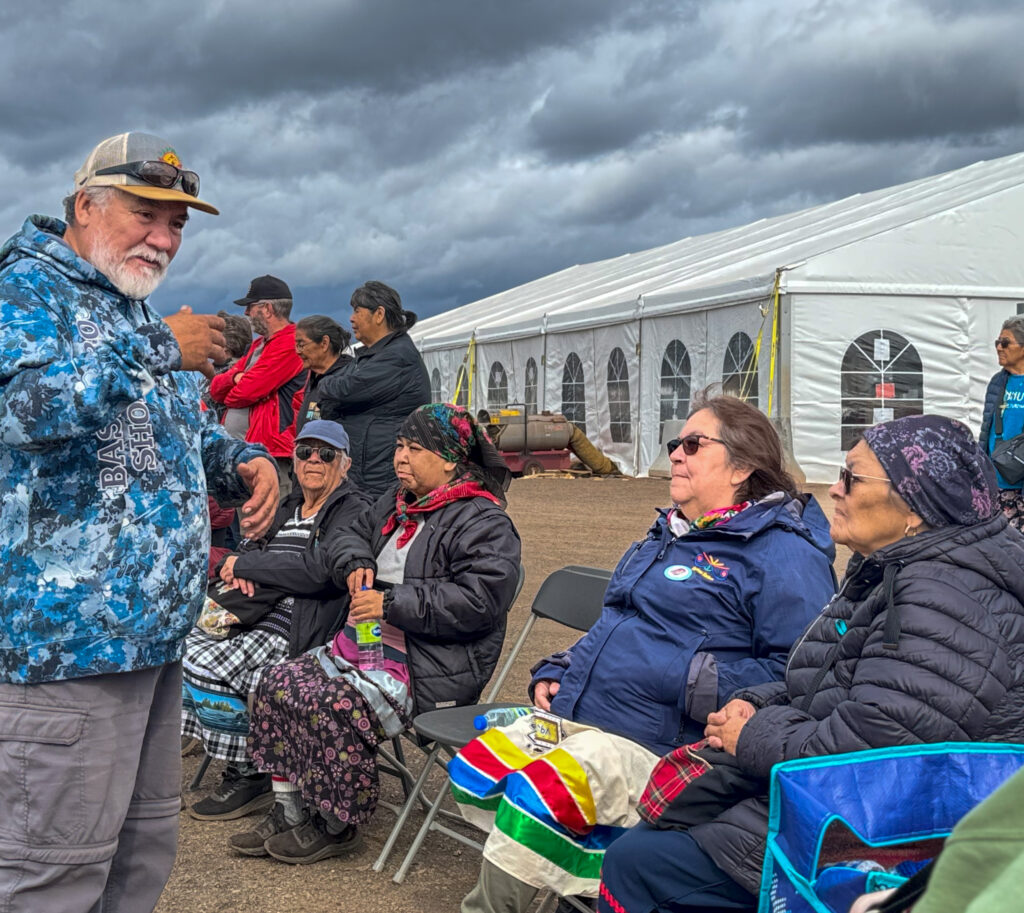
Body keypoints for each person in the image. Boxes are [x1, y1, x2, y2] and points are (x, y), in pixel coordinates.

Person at [0, 131, 279, 913]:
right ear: (87, 205)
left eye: (178, 222)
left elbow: (166, 431)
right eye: (146, 213)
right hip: (65, 652)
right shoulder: (25, 289)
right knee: (51, 873)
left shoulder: (126, 304)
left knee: (137, 854)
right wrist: (158, 345)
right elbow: (19, 410)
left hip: (152, 641)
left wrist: (238, 463)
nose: (164, 237)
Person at [599, 414, 1024, 913]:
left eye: (852, 478)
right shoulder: (896, 568)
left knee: (638, 861)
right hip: (838, 801)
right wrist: (753, 702)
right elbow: (820, 675)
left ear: (915, 505)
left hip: (881, 838)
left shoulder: (947, 597)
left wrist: (751, 734)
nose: (835, 491)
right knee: (655, 824)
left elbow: (874, 749)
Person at [457, 394, 837, 913]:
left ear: (743, 466)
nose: (675, 454)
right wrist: (564, 665)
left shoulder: (782, 551)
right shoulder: (670, 532)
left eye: (693, 444)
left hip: (666, 747)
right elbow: (617, 620)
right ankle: (583, 885)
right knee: (483, 764)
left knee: (545, 789)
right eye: (675, 443)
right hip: (590, 720)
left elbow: (800, 670)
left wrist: (691, 679)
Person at [232, 404, 521, 863]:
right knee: (276, 682)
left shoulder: (484, 522)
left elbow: (479, 602)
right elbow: (345, 536)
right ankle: (290, 809)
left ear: (449, 458)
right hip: (364, 643)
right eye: (399, 446)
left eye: (414, 448)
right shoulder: (395, 502)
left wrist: (391, 603)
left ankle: (337, 822)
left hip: (427, 663)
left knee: (332, 703)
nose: (400, 458)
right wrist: (357, 561)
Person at [183, 419, 369, 820]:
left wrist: (253, 567)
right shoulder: (290, 506)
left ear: (346, 463)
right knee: (177, 646)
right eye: (305, 452)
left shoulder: (353, 510)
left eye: (326, 454)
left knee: (202, 662)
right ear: (294, 461)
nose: (314, 461)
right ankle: (251, 759)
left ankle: (251, 770)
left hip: (300, 626)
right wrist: (243, 571)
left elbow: (318, 573)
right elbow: (254, 552)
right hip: (252, 611)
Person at [315, 280, 431, 495]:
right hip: (368, 467)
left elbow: (345, 388)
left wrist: (324, 383)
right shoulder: (374, 355)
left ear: (379, 314)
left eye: (357, 311)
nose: (351, 318)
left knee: (375, 525)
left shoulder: (397, 357)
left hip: (380, 475)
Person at [209, 274, 307, 496]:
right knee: (247, 526)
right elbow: (215, 389)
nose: (246, 313)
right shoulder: (258, 345)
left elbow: (246, 392)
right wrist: (233, 379)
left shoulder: (290, 342)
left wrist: (234, 387)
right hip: (248, 452)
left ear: (268, 309)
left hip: (270, 453)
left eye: (250, 307)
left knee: (265, 524)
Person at [980, 314, 1024, 531]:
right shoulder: (998, 382)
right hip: (999, 482)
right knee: (1004, 545)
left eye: (1005, 343)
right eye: (997, 342)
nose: (999, 347)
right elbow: (985, 428)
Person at [294, 314, 353, 431]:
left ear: (324, 343)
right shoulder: (314, 378)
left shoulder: (347, 381)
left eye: (301, 345)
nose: (297, 351)